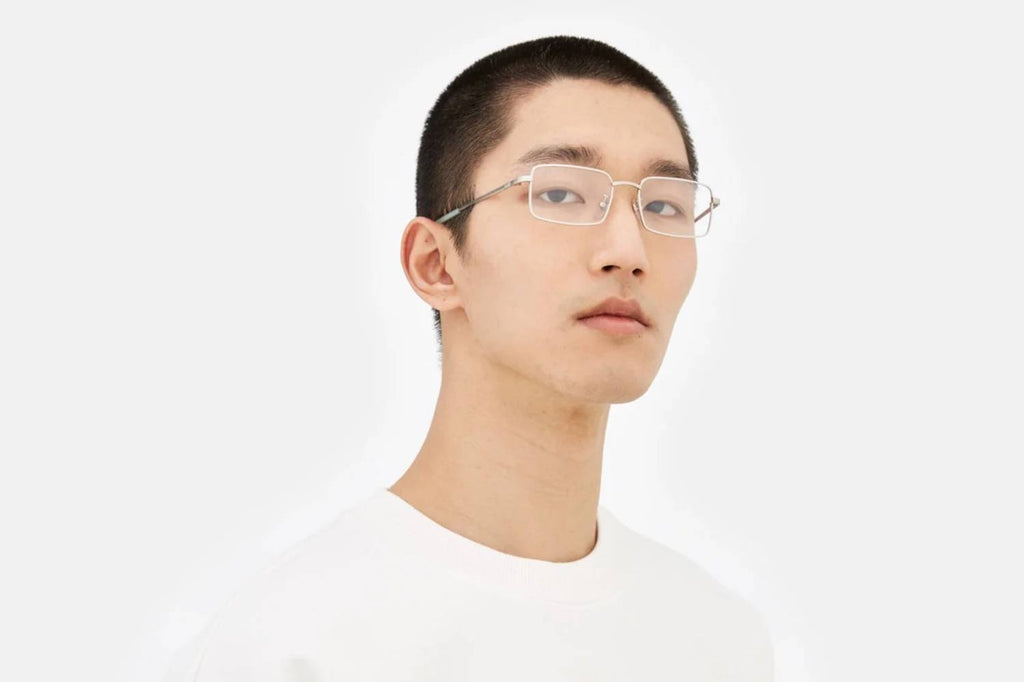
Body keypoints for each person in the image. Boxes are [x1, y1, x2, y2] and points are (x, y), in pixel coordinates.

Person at [168, 34, 773, 682]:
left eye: (662, 206)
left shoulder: (718, 641)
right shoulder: (293, 647)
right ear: (436, 263)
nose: (629, 250)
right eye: (560, 194)